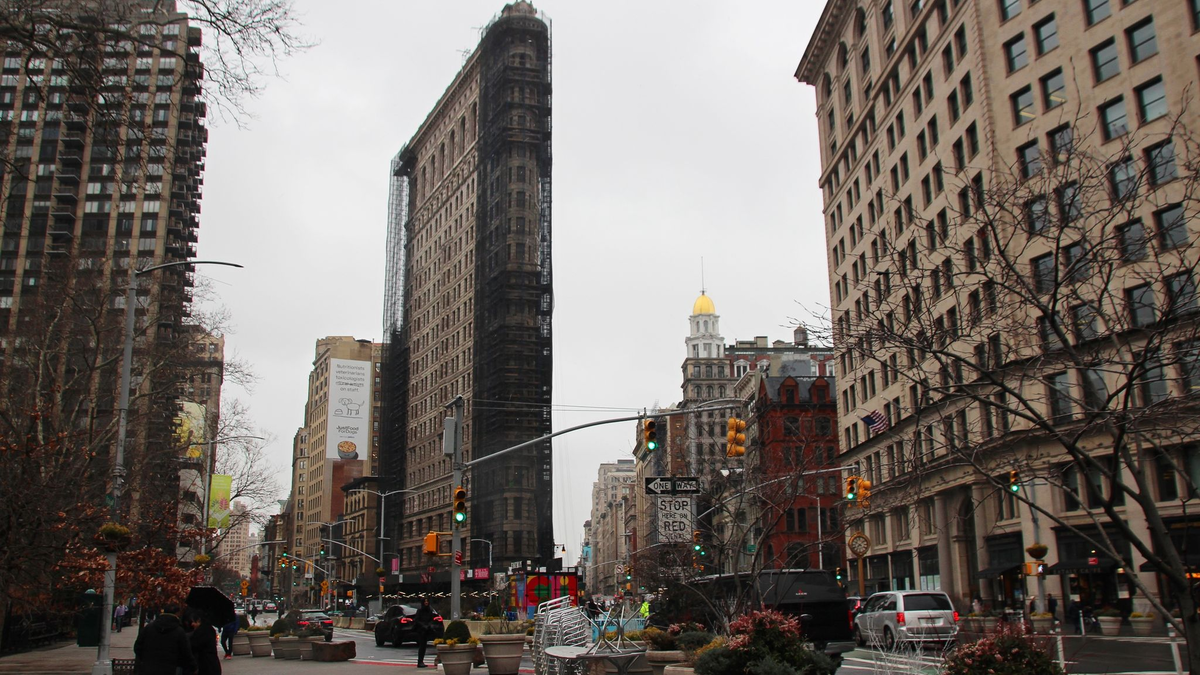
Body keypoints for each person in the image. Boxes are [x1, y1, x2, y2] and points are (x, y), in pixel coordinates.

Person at [133, 603, 196, 675]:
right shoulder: (179, 631)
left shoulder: (149, 628)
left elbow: (137, 647)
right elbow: (186, 652)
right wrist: (193, 667)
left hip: (148, 668)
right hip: (170, 669)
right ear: (177, 613)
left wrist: (145, 659)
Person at [184, 608, 221, 675]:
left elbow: (194, 646)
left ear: (199, 620)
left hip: (206, 666)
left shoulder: (202, 632)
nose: (192, 624)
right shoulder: (208, 629)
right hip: (211, 664)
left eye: (193, 622)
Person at [415, 597, 435, 669]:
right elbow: (417, 620)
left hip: (427, 630)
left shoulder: (430, 610)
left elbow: (431, 619)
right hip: (421, 630)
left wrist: (429, 625)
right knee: (422, 646)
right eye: (425, 601)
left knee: (424, 646)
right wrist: (423, 625)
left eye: (427, 601)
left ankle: (421, 661)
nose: (426, 602)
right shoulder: (420, 611)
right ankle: (420, 661)